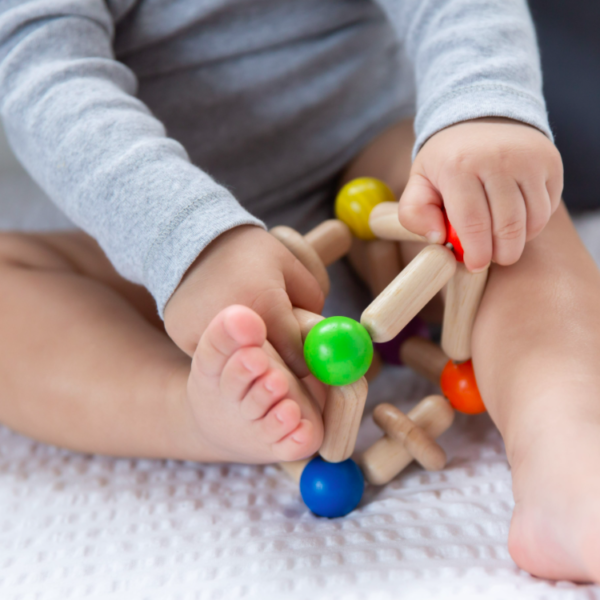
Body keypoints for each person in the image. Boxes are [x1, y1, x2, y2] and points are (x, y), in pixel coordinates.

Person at [0, 0, 597, 583]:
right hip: (154, 253)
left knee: (497, 207)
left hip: (371, 180)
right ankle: (193, 410)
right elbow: (37, 64)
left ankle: (569, 443)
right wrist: (188, 243)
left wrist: (480, 110)